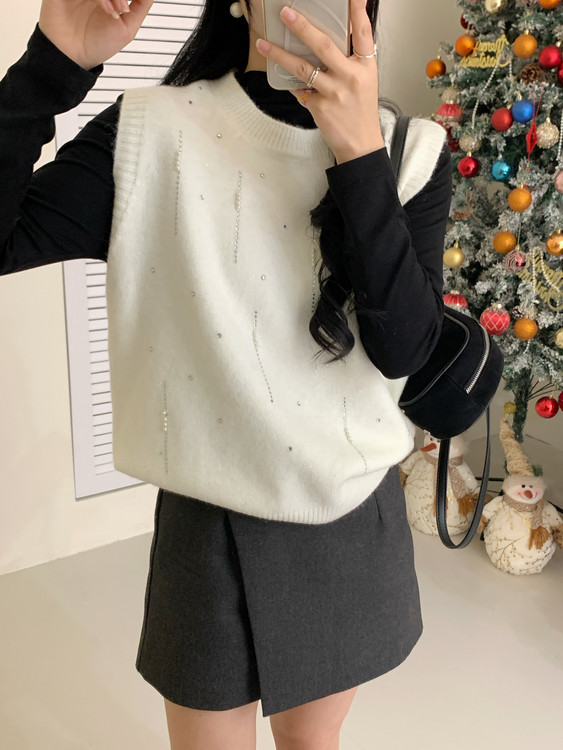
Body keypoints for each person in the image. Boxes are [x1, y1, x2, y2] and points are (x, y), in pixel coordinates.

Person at [0, 0, 453, 747]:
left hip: (345, 510)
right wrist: (54, 62)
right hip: (206, 521)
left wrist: (359, 156)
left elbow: (404, 349)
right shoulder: (151, 133)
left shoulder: (410, 150)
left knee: (313, 744)